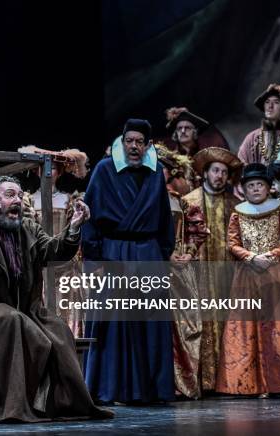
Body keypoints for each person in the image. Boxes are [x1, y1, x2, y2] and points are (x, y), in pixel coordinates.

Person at [0, 176, 113, 422]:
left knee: (57, 327)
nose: (17, 200)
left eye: (19, 195)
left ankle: (65, 404)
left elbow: (53, 250)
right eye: (9, 195)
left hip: (26, 309)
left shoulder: (28, 227)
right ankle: (12, 408)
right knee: (12, 320)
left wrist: (74, 227)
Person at [82, 119, 175, 404]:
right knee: (114, 322)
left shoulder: (156, 172)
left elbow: (163, 219)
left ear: (147, 145)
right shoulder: (104, 169)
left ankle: (149, 389)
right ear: (122, 143)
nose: (134, 146)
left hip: (147, 252)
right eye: (129, 141)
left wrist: (161, 254)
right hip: (114, 251)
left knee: (149, 322)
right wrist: (94, 254)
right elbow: (91, 214)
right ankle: (108, 388)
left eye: (139, 141)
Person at [216, 163, 280, 396]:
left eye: (259, 185)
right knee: (246, 326)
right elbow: (232, 243)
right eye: (250, 186)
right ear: (244, 189)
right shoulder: (237, 213)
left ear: (268, 187)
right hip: (248, 274)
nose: (255, 189)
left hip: (278, 273)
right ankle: (248, 382)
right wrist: (251, 256)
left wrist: (271, 255)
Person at [182, 147, 242, 392]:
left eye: (224, 172)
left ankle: (226, 380)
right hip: (199, 273)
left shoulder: (236, 205)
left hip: (227, 274)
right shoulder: (189, 201)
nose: (219, 176)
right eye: (215, 170)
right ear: (205, 173)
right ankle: (201, 379)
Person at [18, 145, 89, 337]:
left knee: (67, 318)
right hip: (39, 265)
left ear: (60, 172)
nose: (48, 173)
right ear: (35, 171)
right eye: (42, 168)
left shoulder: (69, 200)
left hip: (65, 267)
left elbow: (74, 236)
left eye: (53, 168)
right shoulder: (28, 200)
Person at [157, 144, 209, 399]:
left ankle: (184, 384)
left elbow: (198, 230)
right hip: (154, 266)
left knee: (186, 326)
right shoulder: (142, 199)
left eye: (164, 169)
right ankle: (158, 383)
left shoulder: (180, 201)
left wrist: (189, 252)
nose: (159, 172)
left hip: (180, 269)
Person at [238, 83, 280, 165]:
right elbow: (240, 165)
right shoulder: (252, 138)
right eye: (267, 102)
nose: (270, 106)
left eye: (276, 102)